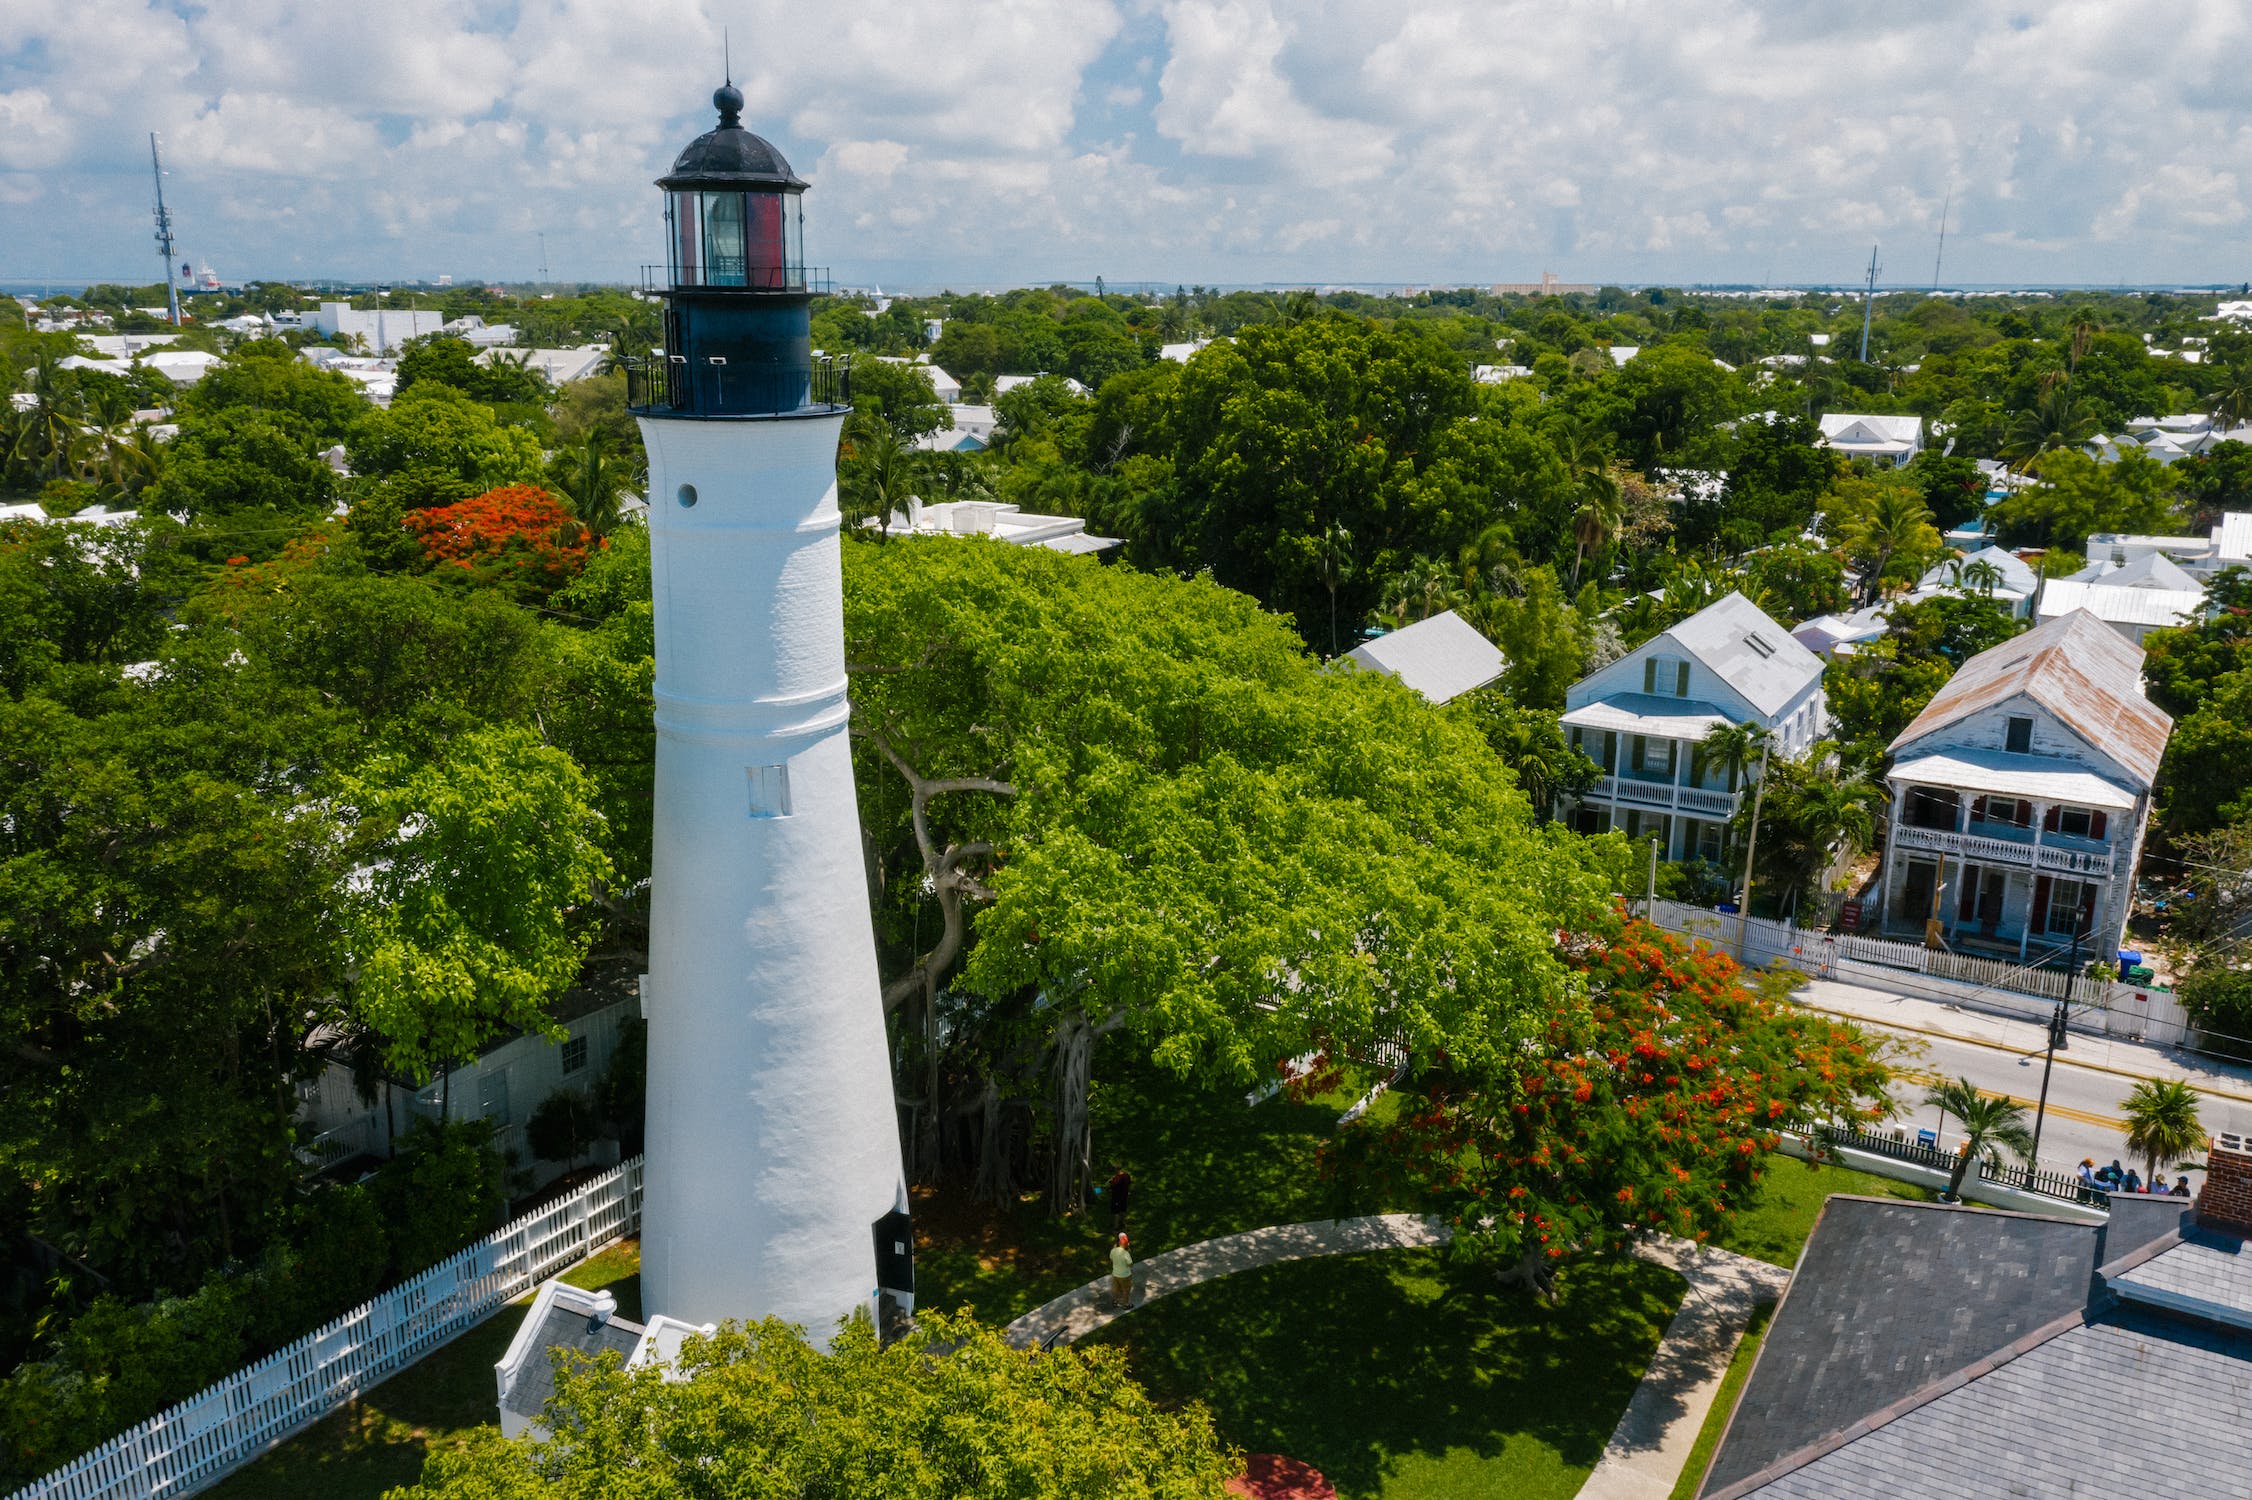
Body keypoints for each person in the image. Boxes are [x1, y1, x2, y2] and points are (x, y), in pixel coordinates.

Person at [1109, 1233, 1133, 1309]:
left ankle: (1115, 1302)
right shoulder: (1126, 1254)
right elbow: (1130, 1264)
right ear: (1126, 1245)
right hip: (1125, 1275)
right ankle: (1126, 1305)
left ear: (1119, 1243)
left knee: (1115, 1288)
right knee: (1126, 1290)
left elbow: (1111, 1259)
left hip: (1115, 1274)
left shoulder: (1113, 1250)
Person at [1108, 1167, 1133, 1234]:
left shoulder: (1116, 1179)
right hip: (1124, 1197)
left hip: (1116, 1198)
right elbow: (1129, 1184)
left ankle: (1116, 1228)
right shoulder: (1127, 1176)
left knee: (1116, 1212)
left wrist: (1097, 1190)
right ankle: (1123, 1224)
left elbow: (1110, 1188)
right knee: (1123, 1210)